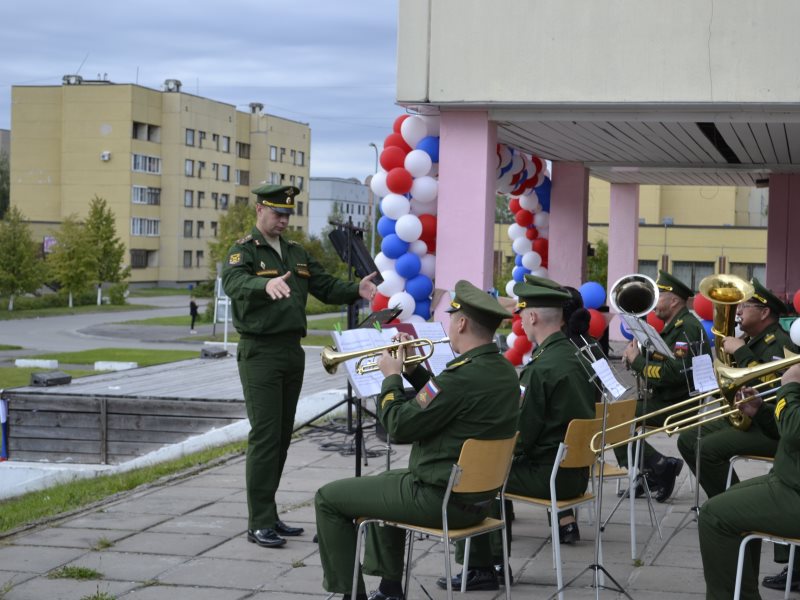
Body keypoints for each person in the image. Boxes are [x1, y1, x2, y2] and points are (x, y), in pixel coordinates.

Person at [314, 280, 519, 600]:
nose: (450, 323)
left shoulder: (460, 377)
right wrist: (412, 370)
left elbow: (399, 426)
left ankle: (351, 593)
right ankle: (390, 588)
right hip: (478, 500)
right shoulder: (503, 371)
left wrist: (391, 377)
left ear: (462, 322)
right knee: (384, 483)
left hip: (439, 498)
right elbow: (443, 400)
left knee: (328, 498)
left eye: (452, 317)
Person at [222, 184, 377, 550]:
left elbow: (323, 285)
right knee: (264, 436)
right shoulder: (244, 250)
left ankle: (270, 514)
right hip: (260, 352)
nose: (283, 220)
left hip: (291, 350)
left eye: (288, 214)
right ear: (260, 209)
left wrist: (358, 289)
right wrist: (265, 287)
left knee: (280, 437)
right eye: (277, 213)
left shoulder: (294, 252)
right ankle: (258, 521)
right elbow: (233, 282)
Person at [439, 281, 597, 592]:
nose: (519, 319)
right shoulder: (574, 355)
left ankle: (483, 567)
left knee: (481, 473)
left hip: (550, 474)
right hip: (574, 472)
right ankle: (493, 562)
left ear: (534, 318)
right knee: (496, 468)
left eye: (522, 312)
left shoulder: (541, 369)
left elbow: (520, 437)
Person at [678, 277, 799, 589]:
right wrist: (755, 409)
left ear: (765, 312)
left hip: (779, 438)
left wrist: (744, 355)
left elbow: (777, 391)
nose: (740, 310)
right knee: (690, 438)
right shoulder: (756, 339)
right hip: (771, 427)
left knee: (709, 458)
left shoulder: (780, 341)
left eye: (746, 305)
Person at [698, 363, 800, 599]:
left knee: (714, 516)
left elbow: (795, 431)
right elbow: (788, 435)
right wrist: (761, 411)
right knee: (727, 506)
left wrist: (790, 385)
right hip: (789, 479)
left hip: (793, 489)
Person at [618, 270, 711, 502]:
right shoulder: (674, 326)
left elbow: (674, 374)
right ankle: (650, 472)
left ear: (675, 300)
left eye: (659, 296)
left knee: (616, 420)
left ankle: (660, 466)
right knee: (618, 415)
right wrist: (636, 357)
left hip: (678, 404)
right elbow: (664, 363)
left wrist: (638, 362)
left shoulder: (685, 328)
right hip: (668, 398)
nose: (653, 302)